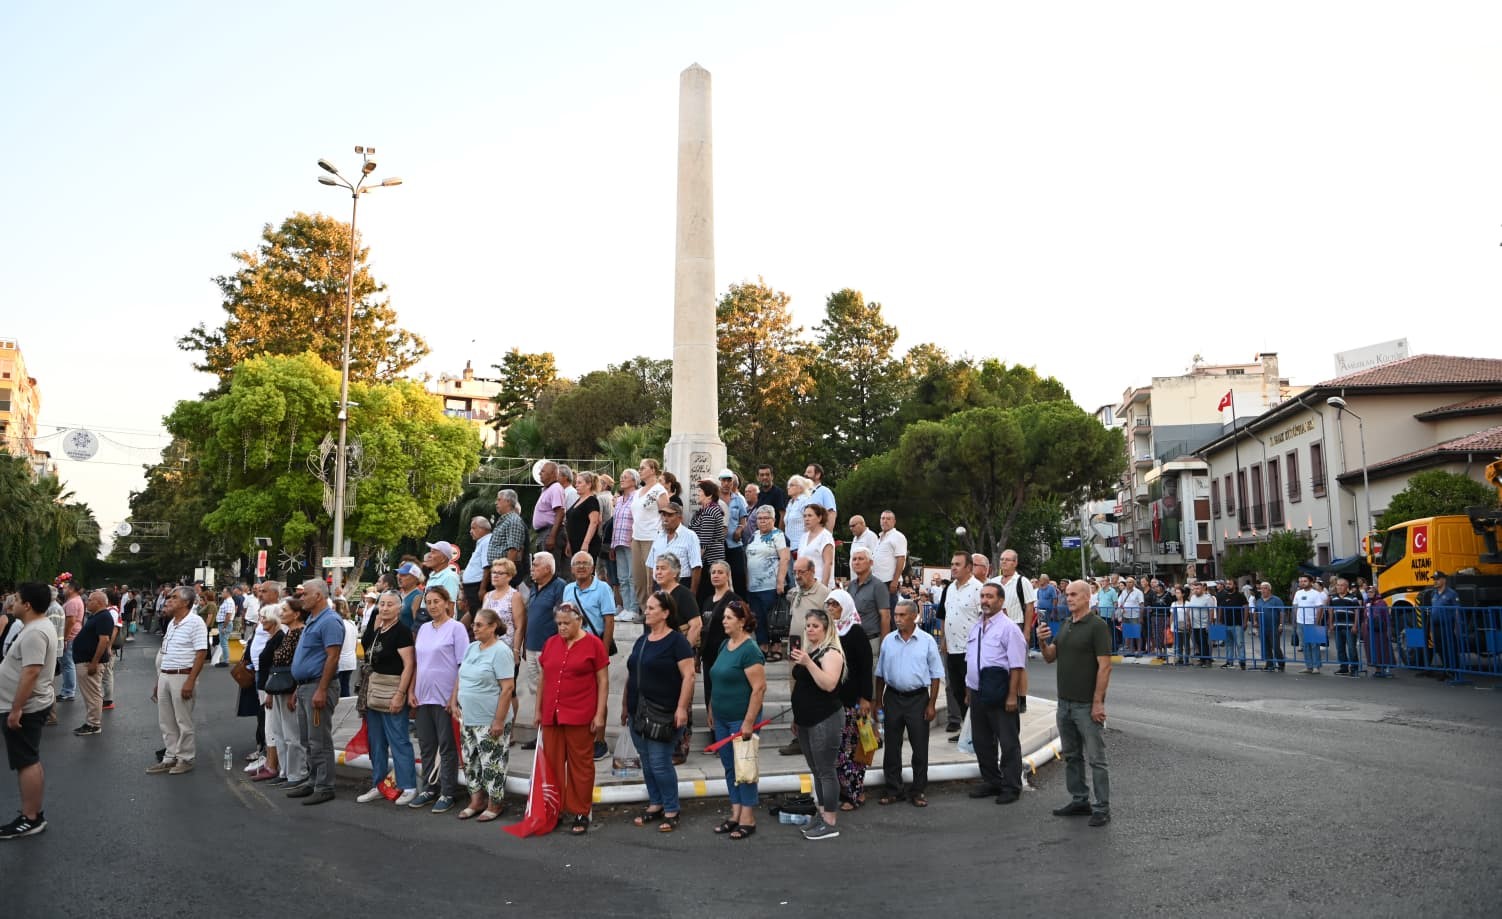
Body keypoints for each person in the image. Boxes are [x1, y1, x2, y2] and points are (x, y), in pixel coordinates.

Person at [1036, 580, 1112, 826]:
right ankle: (1080, 799)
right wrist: (1042, 641)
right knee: (1071, 755)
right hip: (1064, 703)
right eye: (1067, 595)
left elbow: (1105, 666)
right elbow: (1049, 657)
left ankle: (1102, 807)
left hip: (1086, 705)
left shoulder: (1097, 626)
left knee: (1096, 758)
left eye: (1074, 595)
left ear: (1087, 597)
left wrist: (1098, 702)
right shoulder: (1067, 624)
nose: (1068, 598)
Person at [624, 590, 696, 834]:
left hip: (664, 713)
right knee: (646, 762)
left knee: (660, 763)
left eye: (653, 608)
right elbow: (631, 674)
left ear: (666, 613)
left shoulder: (677, 641)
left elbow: (689, 675)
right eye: (647, 607)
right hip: (637, 712)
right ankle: (655, 804)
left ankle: (671, 808)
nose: (647, 611)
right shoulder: (642, 640)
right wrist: (625, 705)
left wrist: (681, 708)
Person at [537, 601, 609, 835]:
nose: (562, 627)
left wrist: (600, 715)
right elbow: (543, 679)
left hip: (580, 713)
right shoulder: (550, 643)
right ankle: (554, 809)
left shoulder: (593, 644)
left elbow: (603, 681)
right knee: (553, 764)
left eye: (566, 623)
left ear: (579, 621)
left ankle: (580, 810)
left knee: (581, 766)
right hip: (552, 714)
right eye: (558, 623)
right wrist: (538, 710)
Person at [874, 597, 945, 808]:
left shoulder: (926, 641)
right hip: (893, 697)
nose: (897, 619)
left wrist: (931, 704)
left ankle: (918, 790)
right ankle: (894, 789)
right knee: (892, 747)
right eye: (895, 615)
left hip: (918, 699)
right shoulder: (888, 640)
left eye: (902, 615)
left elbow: (935, 675)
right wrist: (879, 701)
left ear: (915, 616)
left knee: (920, 747)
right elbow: (879, 674)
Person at [0, 582, 57, 839]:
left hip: (27, 708)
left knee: (26, 761)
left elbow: (32, 671)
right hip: (27, 705)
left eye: (16, 599)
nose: (11, 604)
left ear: (28, 605)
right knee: (28, 759)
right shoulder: (34, 627)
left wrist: (16, 709)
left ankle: (30, 818)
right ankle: (32, 814)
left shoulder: (35, 632)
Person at [708, 598, 766, 840]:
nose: (724, 621)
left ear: (742, 622)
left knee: (745, 767)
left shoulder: (750, 650)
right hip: (721, 717)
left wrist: (748, 722)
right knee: (730, 766)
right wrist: (711, 708)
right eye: (723, 618)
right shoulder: (724, 645)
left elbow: (759, 688)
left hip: (741, 719)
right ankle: (735, 813)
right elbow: (717, 678)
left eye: (729, 618)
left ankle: (748, 817)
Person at [407, 585, 469, 814]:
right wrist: (411, 691)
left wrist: (454, 698)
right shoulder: (423, 629)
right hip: (423, 696)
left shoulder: (457, 628)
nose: (432, 606)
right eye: (429, 602)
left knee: (447, 746)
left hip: (445, 697)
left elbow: (463, 665)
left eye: (436, 601)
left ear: (446, 603)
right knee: (426, 744)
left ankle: (448, 791)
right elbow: (417, 663)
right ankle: (429, 788)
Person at [967, 582, 1029, 805]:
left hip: (1001, 693)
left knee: (1008, 741)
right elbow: (970, 660)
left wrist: (1013, 696)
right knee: (982, 741)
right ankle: (992, 781)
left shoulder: (1009, 628)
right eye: (982, 596)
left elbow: (1016, 665)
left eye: (990, 596)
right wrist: (968, 691)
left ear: (1001, 601)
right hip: (977, 692)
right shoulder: (977, 626)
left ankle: (1012, 786)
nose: (985, 600)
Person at [285, 580, 345, 805]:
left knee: (319, 739)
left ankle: (325, 785)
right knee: (307, 738)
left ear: (319, 596)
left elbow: (333, 656)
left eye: (305, 595)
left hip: (319, 686)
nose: (301, 599)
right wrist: (298, 688)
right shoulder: (312, 619)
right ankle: (313, 780)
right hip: (306, 686)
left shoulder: (329, 621)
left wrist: (321, 689)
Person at [790, 604, 846, 840]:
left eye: (815, 626)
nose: (810, 630)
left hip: (825, 718)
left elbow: (829, 684)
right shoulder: (811, 651)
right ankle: (822, 813)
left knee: (826, 770)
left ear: (826, 629)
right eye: (808, 626)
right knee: (816, 770)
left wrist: (808, 663)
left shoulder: (830, 652)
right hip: (806, 719)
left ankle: (830, 820)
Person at [356, 590, 417, 807]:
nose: (384, 608)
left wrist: (401, 693)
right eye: (381, 604)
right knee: (376, 741)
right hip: (374, 688)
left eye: (390, 604)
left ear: (399, 608)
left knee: (398, 739)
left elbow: (409, 664)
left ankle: (408, 785)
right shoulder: (376, 628)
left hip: (392, 687)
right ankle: (379, 784)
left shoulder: (401, 632)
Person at [455, 608, 516, 822]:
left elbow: (507, 688)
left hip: (490, 718)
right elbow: (460, 675)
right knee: (470, 761)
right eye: (474, 624)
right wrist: (454, 700)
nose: (475, 628)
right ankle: (476, 800)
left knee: (492, 762)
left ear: (492, 627)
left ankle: (494, 803)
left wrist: (499, 720)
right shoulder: (472, 648)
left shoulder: (501, 651)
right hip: (468, 717)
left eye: (480, 625)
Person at [146, 586, 209, 776]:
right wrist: (159, 680)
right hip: (166, 675)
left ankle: (186, 758)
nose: (168, 600)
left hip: (182, 675)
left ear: (186, 602)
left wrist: (190, 681)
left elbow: (201, 653)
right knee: (166, 721)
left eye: (174, 598)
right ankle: (170, 756)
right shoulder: (173, 622)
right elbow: (166, 653)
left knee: (183, 720)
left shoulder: (195, 622)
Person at [565, 551, 617, 759]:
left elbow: (609, 621)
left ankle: (600, 740)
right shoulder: (568, 589)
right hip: (572, 648)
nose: (580, 567)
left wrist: (603, 652)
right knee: (577, 694)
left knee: (599, 694)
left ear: (592, 567)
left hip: (595, 646)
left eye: (585, 564)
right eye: (577, 564)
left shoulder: (602, 588)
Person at [826, 590, 874, 812]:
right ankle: (842, 792)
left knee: (852, 750)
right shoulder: (829, 632)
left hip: (852, 701)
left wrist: (866, 698)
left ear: (845, 606)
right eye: (829, 605)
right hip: (833, 701)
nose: (831, 609)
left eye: (835, 605)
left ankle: (854, 793)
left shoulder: (855, 632)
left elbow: (865, 668)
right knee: (836, 751)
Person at [515, 553, 565, 749]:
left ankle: (552, 734)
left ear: (548, 568)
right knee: (538, 692)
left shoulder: (559, 586)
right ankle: (541, 734)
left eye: (536, 565)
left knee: (551, 691)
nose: (532, 568)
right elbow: (529, 617)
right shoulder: (535, 587)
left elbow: (561, 617)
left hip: (549, 649)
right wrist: (526, 644)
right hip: (532, 647)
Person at [937, 551, 983, 739]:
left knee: (972, 692)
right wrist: (944, 639)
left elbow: (984, 619)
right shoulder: (949, 589)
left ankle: (979, 731)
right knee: (956, 690)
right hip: (952, 648)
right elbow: (946, 616)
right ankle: (968, 730)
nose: (953, 567)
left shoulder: (978, 588)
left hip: (970, 649)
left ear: (969, 567)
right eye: (952, 563)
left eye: (957, 564)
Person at [262, 597, 306, 787]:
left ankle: (297, 773)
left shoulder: (301, 634)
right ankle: (285, 771)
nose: (281, 614)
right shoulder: (289, 633)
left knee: (292, 734)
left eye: (285, 610)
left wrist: (296, 691)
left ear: (296, 614)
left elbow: (298, 664)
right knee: (279, 732)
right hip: (279, 687)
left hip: (290, 688)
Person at [745, 506, 790, 659]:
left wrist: (780, 581)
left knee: (773, 616)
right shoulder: (754, 535)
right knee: (758, 618)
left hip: (770, 584)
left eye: (766, 518)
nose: (762, 521)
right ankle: (763, 646)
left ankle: (776, 645)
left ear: (773, 520)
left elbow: (784, 558)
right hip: (753, 585)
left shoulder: (778, 535)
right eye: (760, 518)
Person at [630, 459, 673, 612]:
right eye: (639, 468)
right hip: (637, 537)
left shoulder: (659, 490)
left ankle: (655, 609)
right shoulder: (636, 492)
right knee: (638, 578)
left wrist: (664, 538)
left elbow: (666, 515)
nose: (640, 471)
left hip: (652, 537)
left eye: (643, 468)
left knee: (651, 578)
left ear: (653, 470)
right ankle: (645, 609)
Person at [71, 590, 116, 737]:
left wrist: (94, 662)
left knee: (93, 695)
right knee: (90, 695)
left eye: (90, 600)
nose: (87, 602)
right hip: (85, 661)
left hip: (90, 662)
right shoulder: (97, 616)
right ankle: (91, 722)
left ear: (99, 602)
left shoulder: (103, 617)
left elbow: (104, 640)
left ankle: (94, 724)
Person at [248, 602, 284, 782]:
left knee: (271, 725)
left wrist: (269, 692)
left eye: (264, 617)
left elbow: (275, 667)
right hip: (264, 686)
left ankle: (272, 765)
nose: (261, 621)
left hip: (269, 688)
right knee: (267, 724)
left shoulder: (279, 637)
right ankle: (270, 762)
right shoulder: (272, 636)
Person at [847, 546, 891, 656]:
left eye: (861, 559)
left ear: (870, 563)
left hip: (871, 641)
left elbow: (885, 616)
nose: (857, 562)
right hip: (851, 640)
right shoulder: (851, 586)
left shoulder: (878, 586)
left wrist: (884, 645)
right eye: (854, 559)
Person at [691, 480, 728, 605]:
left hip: (709, 560)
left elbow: (704, 541)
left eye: (700, 491)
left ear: (709, 495)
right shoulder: (703, 511)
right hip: (705, 559)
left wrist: (695, 561)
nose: (697, 494)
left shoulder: (710, 512)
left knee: (705, 593)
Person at [610, 470, 639, 619]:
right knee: (622, 577)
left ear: (634, 481)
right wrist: (612, 545)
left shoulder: (637, 497)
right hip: (618, 542)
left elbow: (638, 520)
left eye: (625, 477)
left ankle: (633, 609)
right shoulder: (619, 500)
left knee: (632, 576)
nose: (621, 479)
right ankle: (626, 607)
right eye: (621, 477)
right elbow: (615, 523)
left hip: (631, 541)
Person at [482, 559, 524, 656]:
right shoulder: (487, 596)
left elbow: (519, 627)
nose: (495, 575)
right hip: (487, 647)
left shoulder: (514, 596)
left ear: (509, 576)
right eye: (493, 572)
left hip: (506, 649)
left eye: (500, 573)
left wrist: (516, 650)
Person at [533, 461, 568, 573]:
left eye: (543, 471)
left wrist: (552, 536)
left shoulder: (556, 488)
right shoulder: (546, 489)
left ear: (553, 474)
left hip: (550, 532)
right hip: (544, 533)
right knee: (544, 569)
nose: (540, 474)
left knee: (550, 569)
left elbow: (560, 512)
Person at [719, 470, 750, 596]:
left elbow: (744, 518)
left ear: (733, 482)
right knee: (720, 576)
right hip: (719, 544)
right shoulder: (715, 498)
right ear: (720, 482)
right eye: (724, 480)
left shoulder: (738, 499)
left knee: (738, 575)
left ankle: (741, 605)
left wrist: (740, 528)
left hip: (734, 543)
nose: (726, 484)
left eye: (729, 480)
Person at [873, 510, 909, 613]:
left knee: (889, 612)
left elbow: (901, 559)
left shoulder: (898, 536)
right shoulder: (879, 538)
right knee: (879, 613)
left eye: (888, 519)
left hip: (888, 581)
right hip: (877, 581)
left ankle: (892, 629)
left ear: (894, 521)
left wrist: (895, 581)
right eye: (883, 518)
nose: (885, 521)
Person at [565, 471, 604, 563]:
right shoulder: (579, 500)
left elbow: (594, 522)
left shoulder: (591, 501)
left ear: (589, 484)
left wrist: (586, 543)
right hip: (574, 543)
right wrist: (569, 543)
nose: (576, 485)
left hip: (586, 544)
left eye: (579, 483)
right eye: (576, 483)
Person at [462, 515, 495, 620]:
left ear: (483, 529)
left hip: (477, 586)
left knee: (480, 618)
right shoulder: (481, 542)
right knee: (475, 616)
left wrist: (482, 588)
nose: (470, 531)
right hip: (472, 587)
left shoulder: (487, 541)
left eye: (473, 528)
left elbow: (487, 566)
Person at [1293, 575, 1326, 674]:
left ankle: (1316, 666)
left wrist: (1317, 621)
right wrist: (1296, 619)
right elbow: (1295, 606)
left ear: (1311, 582)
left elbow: (1320, 608)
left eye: (1305, 581)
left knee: (1314, 645)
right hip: (1301, 622)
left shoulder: (1316, 593)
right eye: (1301, 581)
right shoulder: (1298, 593)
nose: (1302, 583)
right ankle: (1308, 666)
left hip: (1312, 622)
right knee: (1305, 645)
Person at [57, 578, 83, 703]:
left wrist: (65, 637)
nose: (63, 589)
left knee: (67, 664)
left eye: (66, 587)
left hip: (71, 635)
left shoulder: (72, 602)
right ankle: (67, 690)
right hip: (73, 634)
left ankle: (68, 692)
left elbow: (71, 621)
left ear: (72, 589)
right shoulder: (74, 600)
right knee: (68, 663)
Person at [799, 504, 836, 589]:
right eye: (804, 516)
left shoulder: (825, 536)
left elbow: (828, 563)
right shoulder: (803, 537)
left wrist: (823, 588)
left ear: (819, 518)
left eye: (810, 516)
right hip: (803, 585)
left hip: (818, 585)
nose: (806, 519)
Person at [1363, 586, 1395, 678]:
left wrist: (1389, 629)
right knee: (1373, 649)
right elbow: (1365, 616)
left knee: (1384, 649)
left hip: (1381, 630)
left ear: (1376, 592)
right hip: (1370, 630)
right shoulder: (1367, 603)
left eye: (1371, 592)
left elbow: (1387, 617)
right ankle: (1377, 669)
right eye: (1368, 592)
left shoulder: (1382, 603)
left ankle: (1387, 669)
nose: (1369, 594)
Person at [1216, 579, 1247, 670]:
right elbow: (1220, 608)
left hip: (1237, 623)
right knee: (1229, 644)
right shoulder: (1223, 596)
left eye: (1230, 583)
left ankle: (1242, 662)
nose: (1228, 585)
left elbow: (1246, 608)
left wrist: (1245, 621)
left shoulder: (1240, 596)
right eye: (1226, 584)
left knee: (1240, 643)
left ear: (1235, 585)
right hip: (1226, 623)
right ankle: (1229, 662)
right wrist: (1219, 621)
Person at [1256, 582, 1286, 672]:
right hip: (1262, 627)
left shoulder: (1276, 600)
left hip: (1273, 626)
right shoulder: (1259, 601)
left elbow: (1282, 612)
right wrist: (1255, 622)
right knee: (1265, 646)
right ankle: (1269, 664)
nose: (1263, 590)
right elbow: (1256, 612)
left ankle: (1281, 663)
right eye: (1261, 588)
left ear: (1269, 589)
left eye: (1265, 588)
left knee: (1275, 646)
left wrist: (1281, 624)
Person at [336, 598, 358, 697]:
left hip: (340, 661)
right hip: (351, 660)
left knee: (337, 689)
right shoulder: (352, 623)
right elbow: (356, 643)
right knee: (345, 686)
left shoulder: (337, 624)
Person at [847, 515, 879, 582]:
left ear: (862, 524)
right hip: (855, 579)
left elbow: (875, 559)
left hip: (867, 580)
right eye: (850, 526)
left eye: (853, 526)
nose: (851, 528)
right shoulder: (855, 538)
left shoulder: (871, 536)